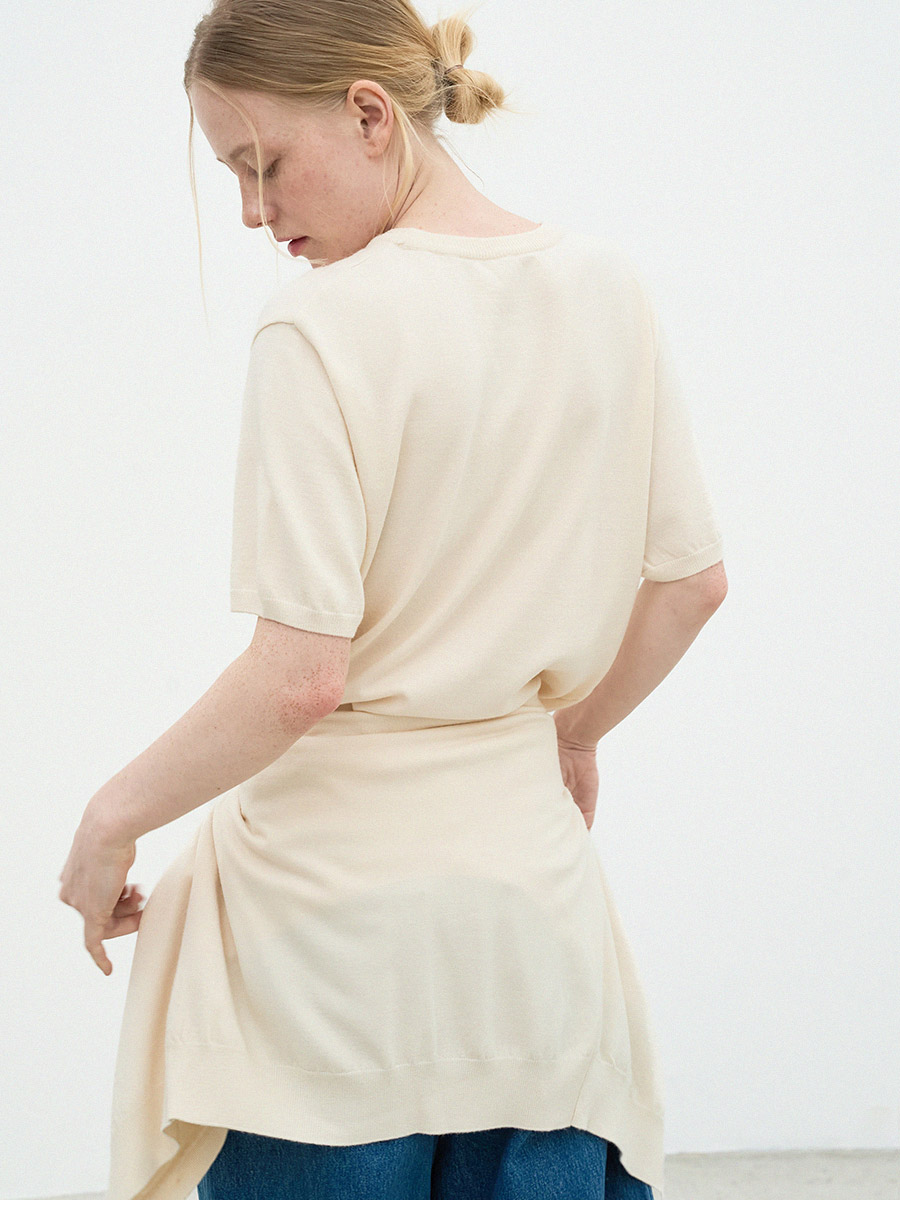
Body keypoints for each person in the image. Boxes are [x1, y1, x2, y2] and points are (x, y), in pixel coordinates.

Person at [63, 0, 726, 1198]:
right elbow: (691, 583)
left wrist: (110, 818)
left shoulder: (319, 327)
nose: (255, 212)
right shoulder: (604, 285)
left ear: (370, 114)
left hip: (329, 960)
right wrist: (571, 735)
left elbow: (299, 677)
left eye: (262, 163)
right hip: (534, 936)